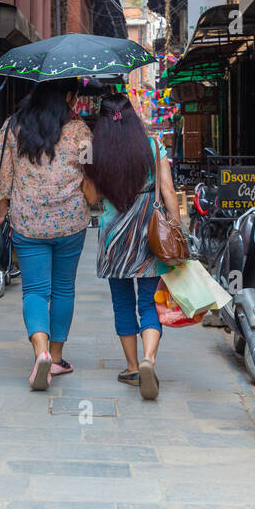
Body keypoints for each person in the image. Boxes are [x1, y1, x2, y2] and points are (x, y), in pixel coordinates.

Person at [81, 92, 180, 400]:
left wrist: (87, 169)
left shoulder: (91, 149)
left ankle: (133, 366)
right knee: (150, 303)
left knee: (122, 303)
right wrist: (177, 230)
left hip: (114, 238)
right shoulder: (152, 146)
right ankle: (150, 359)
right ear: (133, 115)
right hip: (149, 234)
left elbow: (91, 198)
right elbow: (168, 192)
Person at [0, 81, 92, 391]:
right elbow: (91, 176)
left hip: (28, 222)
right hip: (71, 223)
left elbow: (2, 178)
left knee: (35, 290)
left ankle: (41, 353)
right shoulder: (81, 131)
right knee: (64, 289)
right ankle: (58, 358)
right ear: (67, 96)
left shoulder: (12, 127)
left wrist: (1, 216)